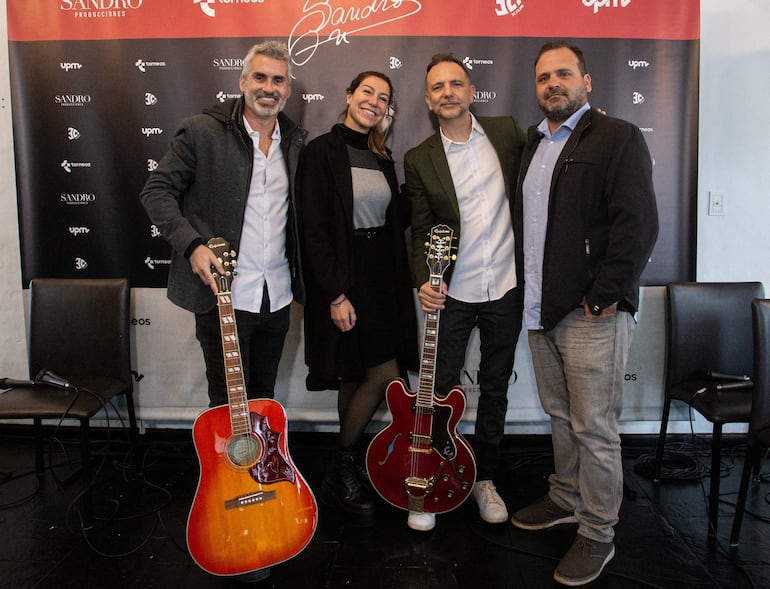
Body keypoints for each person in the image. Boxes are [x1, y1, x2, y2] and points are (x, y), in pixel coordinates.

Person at [140, 41, 307, 581]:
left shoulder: (296, 141)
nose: (269, 88)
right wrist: (191, 245)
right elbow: (157, 190)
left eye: (279, 81)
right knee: (226, 408)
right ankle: (225, 506)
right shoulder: (201, 131)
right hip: (220, 297)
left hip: (275, 294)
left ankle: (266, 503)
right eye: (260, 78)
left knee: (264, 407)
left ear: (288, 89)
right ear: (242, 82)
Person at [509, 41, 659, 586]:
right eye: (544, 76)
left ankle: (598, 530)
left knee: (595, 426)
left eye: (564, 73)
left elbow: (637, 224)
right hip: (540, 309)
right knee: (559, 413)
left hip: (590, 312)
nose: (554, 83)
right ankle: (566, 498)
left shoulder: (617, 137)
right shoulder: (534, 142)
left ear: (587, 81)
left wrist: (603, 296)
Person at [403, 54, 526, 532]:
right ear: (429, 100)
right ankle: (427, 478)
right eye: (438, 87)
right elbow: (419, 230)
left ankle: (484, 479)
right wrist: (423, 280)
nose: (448, 92)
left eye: (456, 83)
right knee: (438, 387)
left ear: (471, 90)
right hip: (452, 291)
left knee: (495, 388)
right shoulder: (419, 158)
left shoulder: (508, 133)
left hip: (506, 289)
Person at [297, 72, 418, 526]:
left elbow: (392, 218)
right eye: (366, 92)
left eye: (383, 97)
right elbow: (315, 230)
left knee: (359, 374)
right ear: (348, 97)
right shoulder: (320, 153)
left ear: (387, 110)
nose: (374, 101)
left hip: (382, 279)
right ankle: (343, 464)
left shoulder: (381, 156)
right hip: (343, 277)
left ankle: (339, 473)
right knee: (380, 374)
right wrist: (334, 293)